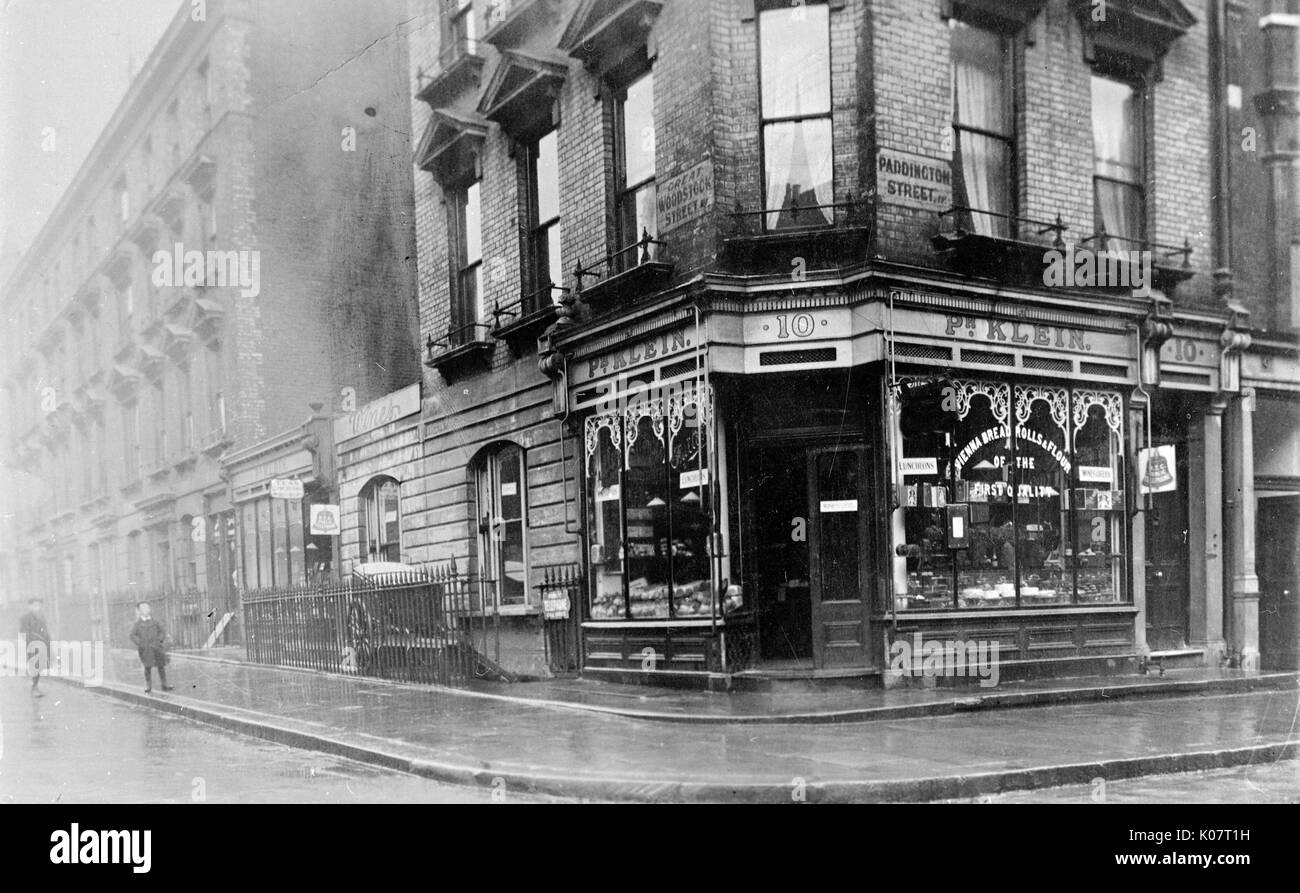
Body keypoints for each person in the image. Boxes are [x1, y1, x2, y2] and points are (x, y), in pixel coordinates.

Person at [129, 601, 173, 693]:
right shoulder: (137, 624)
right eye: (143, 609)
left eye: (147, 608)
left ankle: (164, 684)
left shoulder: (155, 622)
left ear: (150, 609)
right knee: (147, 667)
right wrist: (140, 643)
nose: (146, 610)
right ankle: (148, 685)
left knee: (161, 666)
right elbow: (132, 635)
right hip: (145, 649)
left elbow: (162, 631)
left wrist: (159, 640)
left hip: (157, 648)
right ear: (140, 611)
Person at [19, 598, 50, 698]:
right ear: (30, 607)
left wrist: (48, 639)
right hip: (31, 645)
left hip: (43, 644)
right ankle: (34, 688)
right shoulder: (25, 618)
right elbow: (23, 632)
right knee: (35, 666)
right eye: (35, 605)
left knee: (40, 666)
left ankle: (35, 686)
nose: (37, 608)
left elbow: (45, 630)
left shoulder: (42, 617)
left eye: (39, 606)